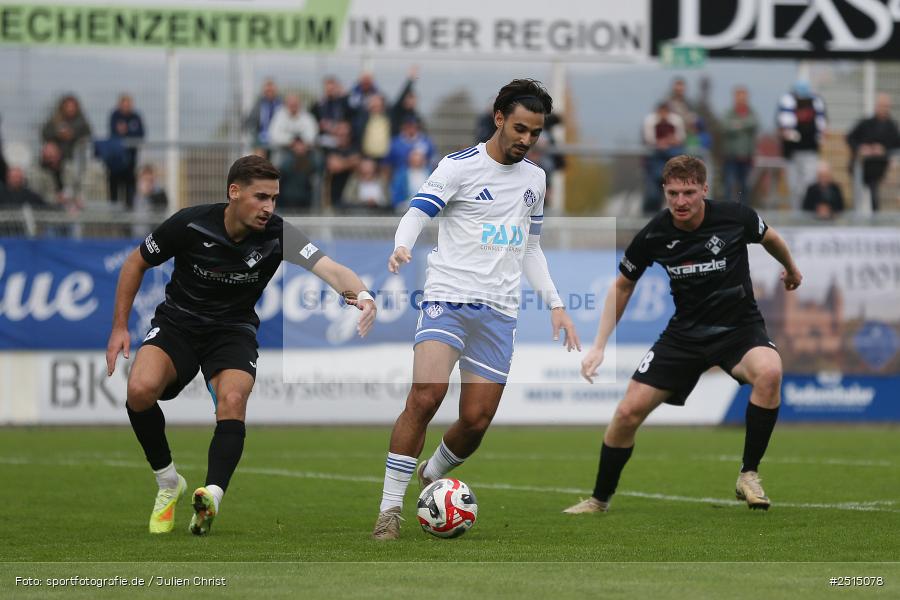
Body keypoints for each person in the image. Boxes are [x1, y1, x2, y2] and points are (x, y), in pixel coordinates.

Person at [105, 155, 376, 536]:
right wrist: (119, 326)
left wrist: (363, 294)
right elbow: (135, 263)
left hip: (232, 330)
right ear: (234, 192)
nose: (269, 208)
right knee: (139, 391)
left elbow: (330, 268)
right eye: (261, 197)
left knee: (233, 400)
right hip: (178, 324)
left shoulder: (278, 234)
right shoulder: (190, 223)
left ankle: (211, 495)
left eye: (274, 199)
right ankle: (168, 482)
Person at [372, 79, 582, 540]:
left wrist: (557, 305)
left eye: (536, 133)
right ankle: (389, 511)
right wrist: (402, 246)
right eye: (520, 129)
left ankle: (432, 476)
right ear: (499, 118)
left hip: (499, 311)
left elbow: (531, 248)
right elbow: (417, 212)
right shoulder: (458, 167)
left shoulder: (535, 179)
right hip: (448, 298)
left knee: (476, 420)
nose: (526, 140)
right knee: (425, 398)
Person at [563, 155, 802, 516]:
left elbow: (771, 238)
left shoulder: (735, 217)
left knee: (770, 371)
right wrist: (599, 346)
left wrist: (791, 268)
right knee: (627, 412)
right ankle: (599, 499)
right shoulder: (655, 233)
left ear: (704, 189)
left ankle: (748, 474)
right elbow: (623, 286)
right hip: (685, 335)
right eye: (673, 193)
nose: (681, 201)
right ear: (664, 191)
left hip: (739, 329)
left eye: (689, 192)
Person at [846, 93, 900, 212]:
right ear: (876, 106)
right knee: (858, 201)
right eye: (881, 105)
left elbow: (896, 145)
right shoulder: (865, 123)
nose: (884, 109)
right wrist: (861, 148)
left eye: (886, 106)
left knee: (875, 201)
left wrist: (883, 149)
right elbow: (850, 137)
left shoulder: (892, 126)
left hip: (879, 170)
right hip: (860, 168)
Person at [777, 81, 827, 209]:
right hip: (792, 153)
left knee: (808, 186)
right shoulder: (787, 102)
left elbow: (822, 128)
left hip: (810, 152)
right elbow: (782, 128)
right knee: (794, 187)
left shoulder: (816, 103)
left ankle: (807, 212)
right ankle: (797, 213)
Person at [642, 102, 685, 214]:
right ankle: (649, 219)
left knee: (673, 197)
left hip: (672, 163)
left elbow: (680, 139)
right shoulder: (650, 121)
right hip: (655, 163)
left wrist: (669, 142)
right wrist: (660, 143)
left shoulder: (676, 121)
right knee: (653, 195)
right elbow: (649, 140)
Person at [106, 93, 146, 206]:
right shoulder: (114, 116)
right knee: (114, 190)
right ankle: (114, 218)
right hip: (115, 161)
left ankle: (129, 216)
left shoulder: (136, 117)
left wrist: (127, 131)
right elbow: (114, 132)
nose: (126, 106)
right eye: (124, 104)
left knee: (129, 190)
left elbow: (140, 134)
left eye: (129, 104)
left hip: (130, 162)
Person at [722, 86, 759, 204]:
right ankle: (727, 211)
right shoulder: (729, 113)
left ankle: (743, 212)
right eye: (739, 97)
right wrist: (744, 125)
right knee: (729, 185)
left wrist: (737, 125)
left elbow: (754, 123)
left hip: (747, 157)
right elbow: (726, 126)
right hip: (731, 156)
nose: (741, 100)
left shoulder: (752, 112)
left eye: (744, 97)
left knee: (745, 187)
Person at [267, 93, 319, 166]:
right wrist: (292, 142)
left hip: (305, 150)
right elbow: (274, 135)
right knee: (279, 160)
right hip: (284, 149)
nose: (293, 105)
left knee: (318, 160)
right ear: (286, 104)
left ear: (299, 104)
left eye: (295, 103)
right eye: (291, 103)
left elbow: (312, 134)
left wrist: (301, 144)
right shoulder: (279, 116)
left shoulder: (307, 116)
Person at [244, 78, 282, 153]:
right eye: (267, 91)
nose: (270, 93)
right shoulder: (259, 104)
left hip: (279, 136)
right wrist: (253, 131)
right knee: (259, 153)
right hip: (262, 136)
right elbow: (250, 120)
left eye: (272, 91)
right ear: (264, 91)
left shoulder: (281, 104)